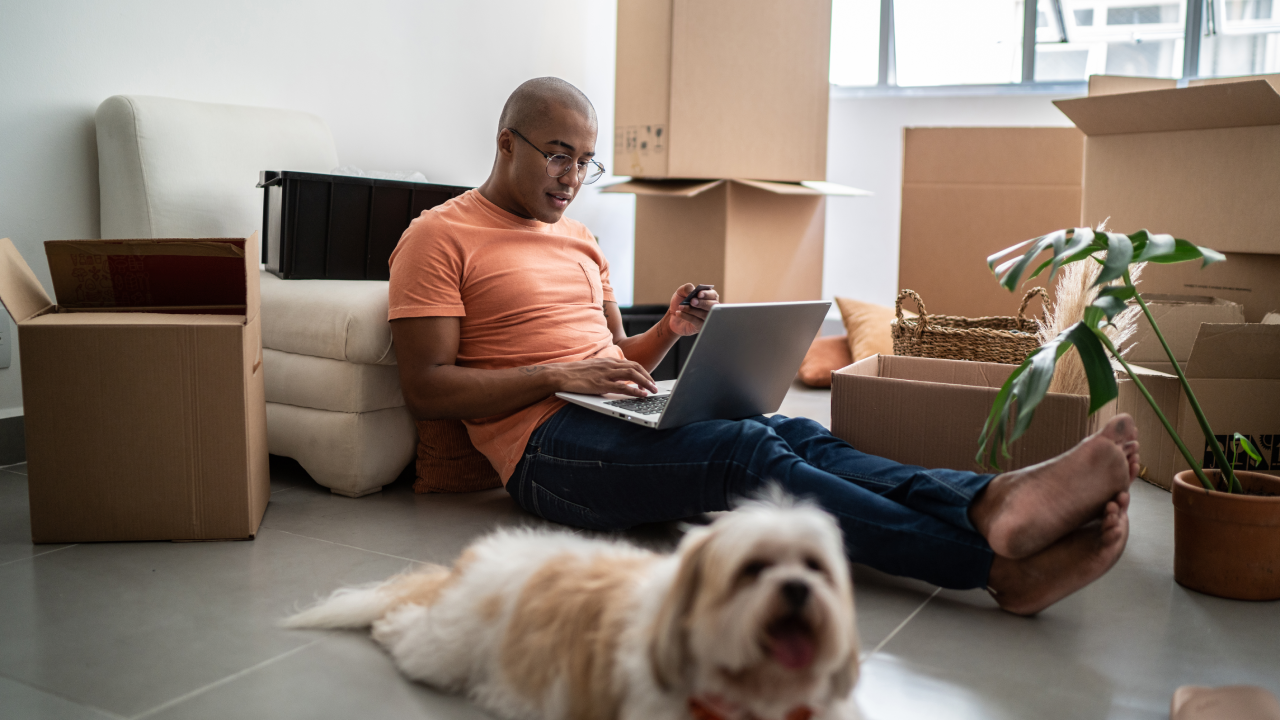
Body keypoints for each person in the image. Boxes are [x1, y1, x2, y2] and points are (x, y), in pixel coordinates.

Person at [388, 77, 1139, 616]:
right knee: (743, 456)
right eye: (559, 155)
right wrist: (560, 371)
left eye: (587, 161)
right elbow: (426, 388)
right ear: (505, 142)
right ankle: (991, 566)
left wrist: (668, 334)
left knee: (798, 433)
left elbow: (616, 361)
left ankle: (989, 499)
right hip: (544, 455)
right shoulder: (439, 236)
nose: (574, 178)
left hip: (613, 415)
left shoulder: (581, 241)